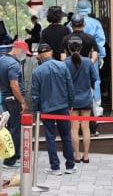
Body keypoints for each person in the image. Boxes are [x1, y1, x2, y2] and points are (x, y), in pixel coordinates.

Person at [31, 43, 76, 175]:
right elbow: (70, 86)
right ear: (51, 52)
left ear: (39, 56)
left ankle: (55, 167)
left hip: (46, 108)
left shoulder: (37, 71)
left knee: (50, 137)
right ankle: (70, 165)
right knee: (66, 135)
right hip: (62, 106)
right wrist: (71, 103)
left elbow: (35, 94)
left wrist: (36, 111)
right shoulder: (63, 66)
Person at [64, 36, 97, 163]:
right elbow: (94, 78)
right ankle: (86, 156)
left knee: (74, 128)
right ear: (81, 47)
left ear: (68, 48)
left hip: (71, 100)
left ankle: (77, 155)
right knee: (86, 127)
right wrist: (89, 88)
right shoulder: (88, 62)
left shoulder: (65, 63)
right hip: (86, 98)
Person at [0, 41, 31, 168]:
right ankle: (11, 159)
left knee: (9, 128)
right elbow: (14, 85)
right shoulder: (13, 64)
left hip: (6, 99)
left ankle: (14, 155)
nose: (24, 55)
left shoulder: (1, 60)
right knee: (15, 129)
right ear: (17, 49)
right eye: (24, 52)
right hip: (14, 100)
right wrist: (22, 101)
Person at [74, 0, 106, 118]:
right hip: (92, 57)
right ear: (90, 8)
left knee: (75, 80)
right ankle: (96, 108)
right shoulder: (95, 23)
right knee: (95, 80)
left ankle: (76, 108)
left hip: (74, 58)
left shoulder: (71, 24)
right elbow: (100, 41)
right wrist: (101, 56)